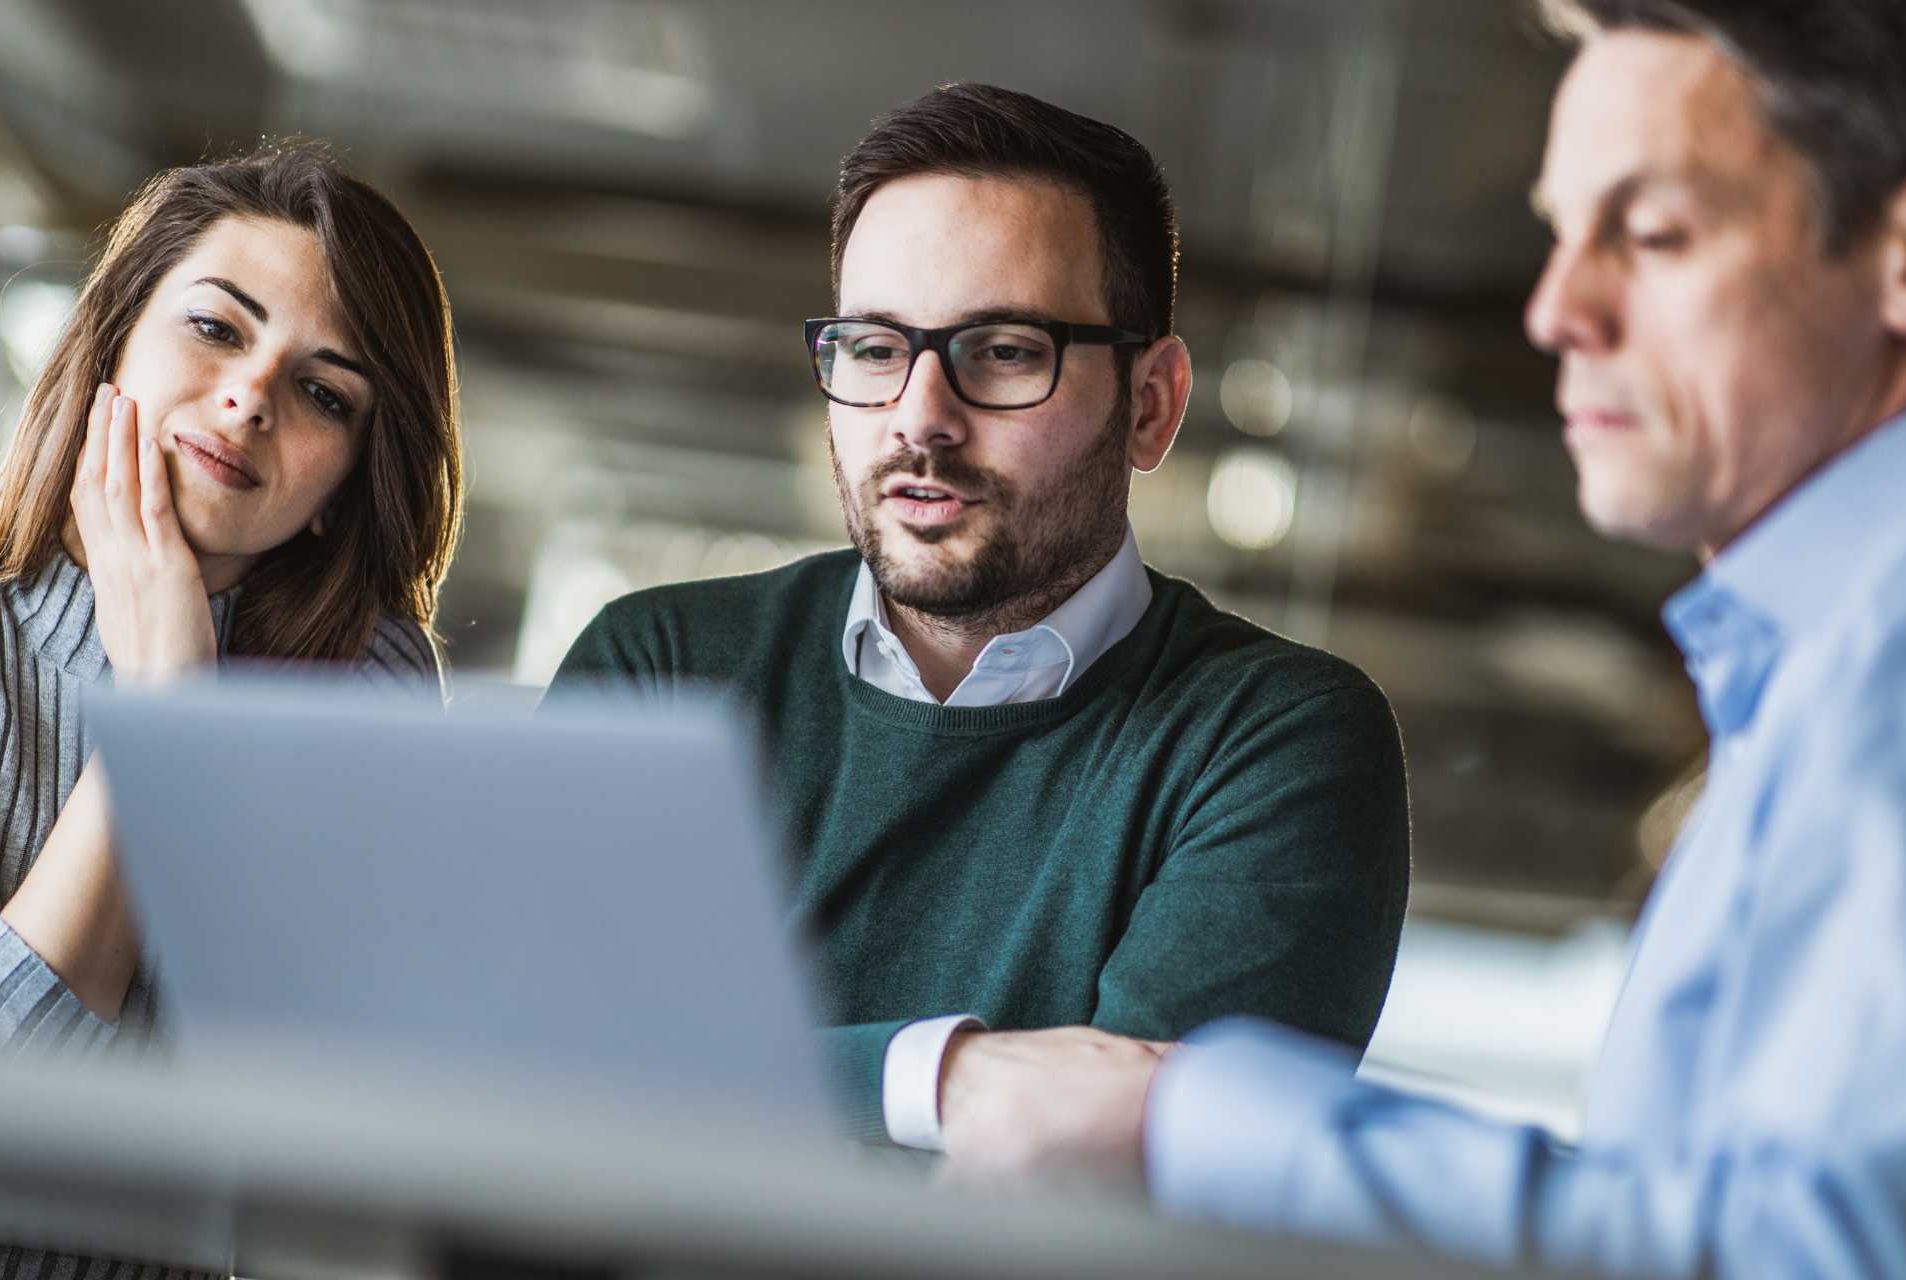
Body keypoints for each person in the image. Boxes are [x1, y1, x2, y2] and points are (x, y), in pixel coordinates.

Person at [939, 2, 1906, 1274]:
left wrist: (1205, 1121)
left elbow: (1820, 1255)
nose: (1556, 309)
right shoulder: (1798, 680)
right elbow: (1709, 1215)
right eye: (1562, 236)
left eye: (1656, 233)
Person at [550, 84, 1410, 1157]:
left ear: (1150, 405)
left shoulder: (1271, 742)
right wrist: (950, 1080)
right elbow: (536, 1072)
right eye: (872, 347)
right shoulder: (665, 667)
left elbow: (1125, 1182)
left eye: (1003, 350)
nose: (919, 417)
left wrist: (710, 1078)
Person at [0, 143, 463, 1277]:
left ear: (340, 483)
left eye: (322, 391)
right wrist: (163, 708)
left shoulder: (374, 708)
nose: (250, 396)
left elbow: (333, 1181)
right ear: (112, 342)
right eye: (217, 326)